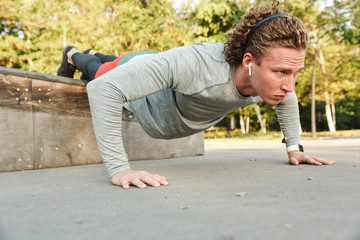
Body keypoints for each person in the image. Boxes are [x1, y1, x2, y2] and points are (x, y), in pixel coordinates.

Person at [57, 0, 335, 189]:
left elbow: (287, 100)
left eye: (294, 73)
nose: (290, 85)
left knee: (109, 62)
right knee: (100, 72)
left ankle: (94, 55)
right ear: (249, 62)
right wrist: (119, 169)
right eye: (282, 72)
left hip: (156, 69)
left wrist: (294, 149)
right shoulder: (195, 64)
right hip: (137, 72)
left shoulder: (270, 83)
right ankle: (73, 55)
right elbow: (103, 90)